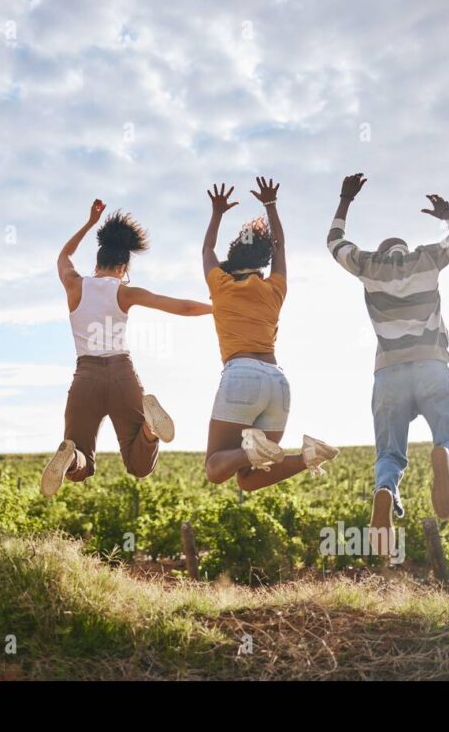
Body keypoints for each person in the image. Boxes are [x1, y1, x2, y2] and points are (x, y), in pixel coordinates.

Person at [327, 172, 449, 535]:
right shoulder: (425, 259)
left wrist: (346, 199)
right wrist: (447, 215)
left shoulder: (369, 266)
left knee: (389, 454)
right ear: (405, 249)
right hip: (431, 366)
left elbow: (334, 242)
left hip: (389, 372)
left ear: (383, 250)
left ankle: (386, 491)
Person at [41, 199, 213, 496]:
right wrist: (217, 308)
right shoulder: (126, 292)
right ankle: (149, 429)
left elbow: (64, 255)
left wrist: (89, 223)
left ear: (96, 264)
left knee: (80, 465)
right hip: (123, 375)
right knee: (138, 466)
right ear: (122, 268)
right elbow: (182, 307)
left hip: (86, 378)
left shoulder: (74, 284)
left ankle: (71, 456)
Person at [202, 178, 339, 491]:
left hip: (242, 374)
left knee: (215, 468)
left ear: (230, 263)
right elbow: (281, 246)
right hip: (277, 383)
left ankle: (251, 449)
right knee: (249, 480)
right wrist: (270, 205)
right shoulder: (275, 288)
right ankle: (308, 457)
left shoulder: (220, 286)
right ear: (262, 267)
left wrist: (217, 212)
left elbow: (207, 248)